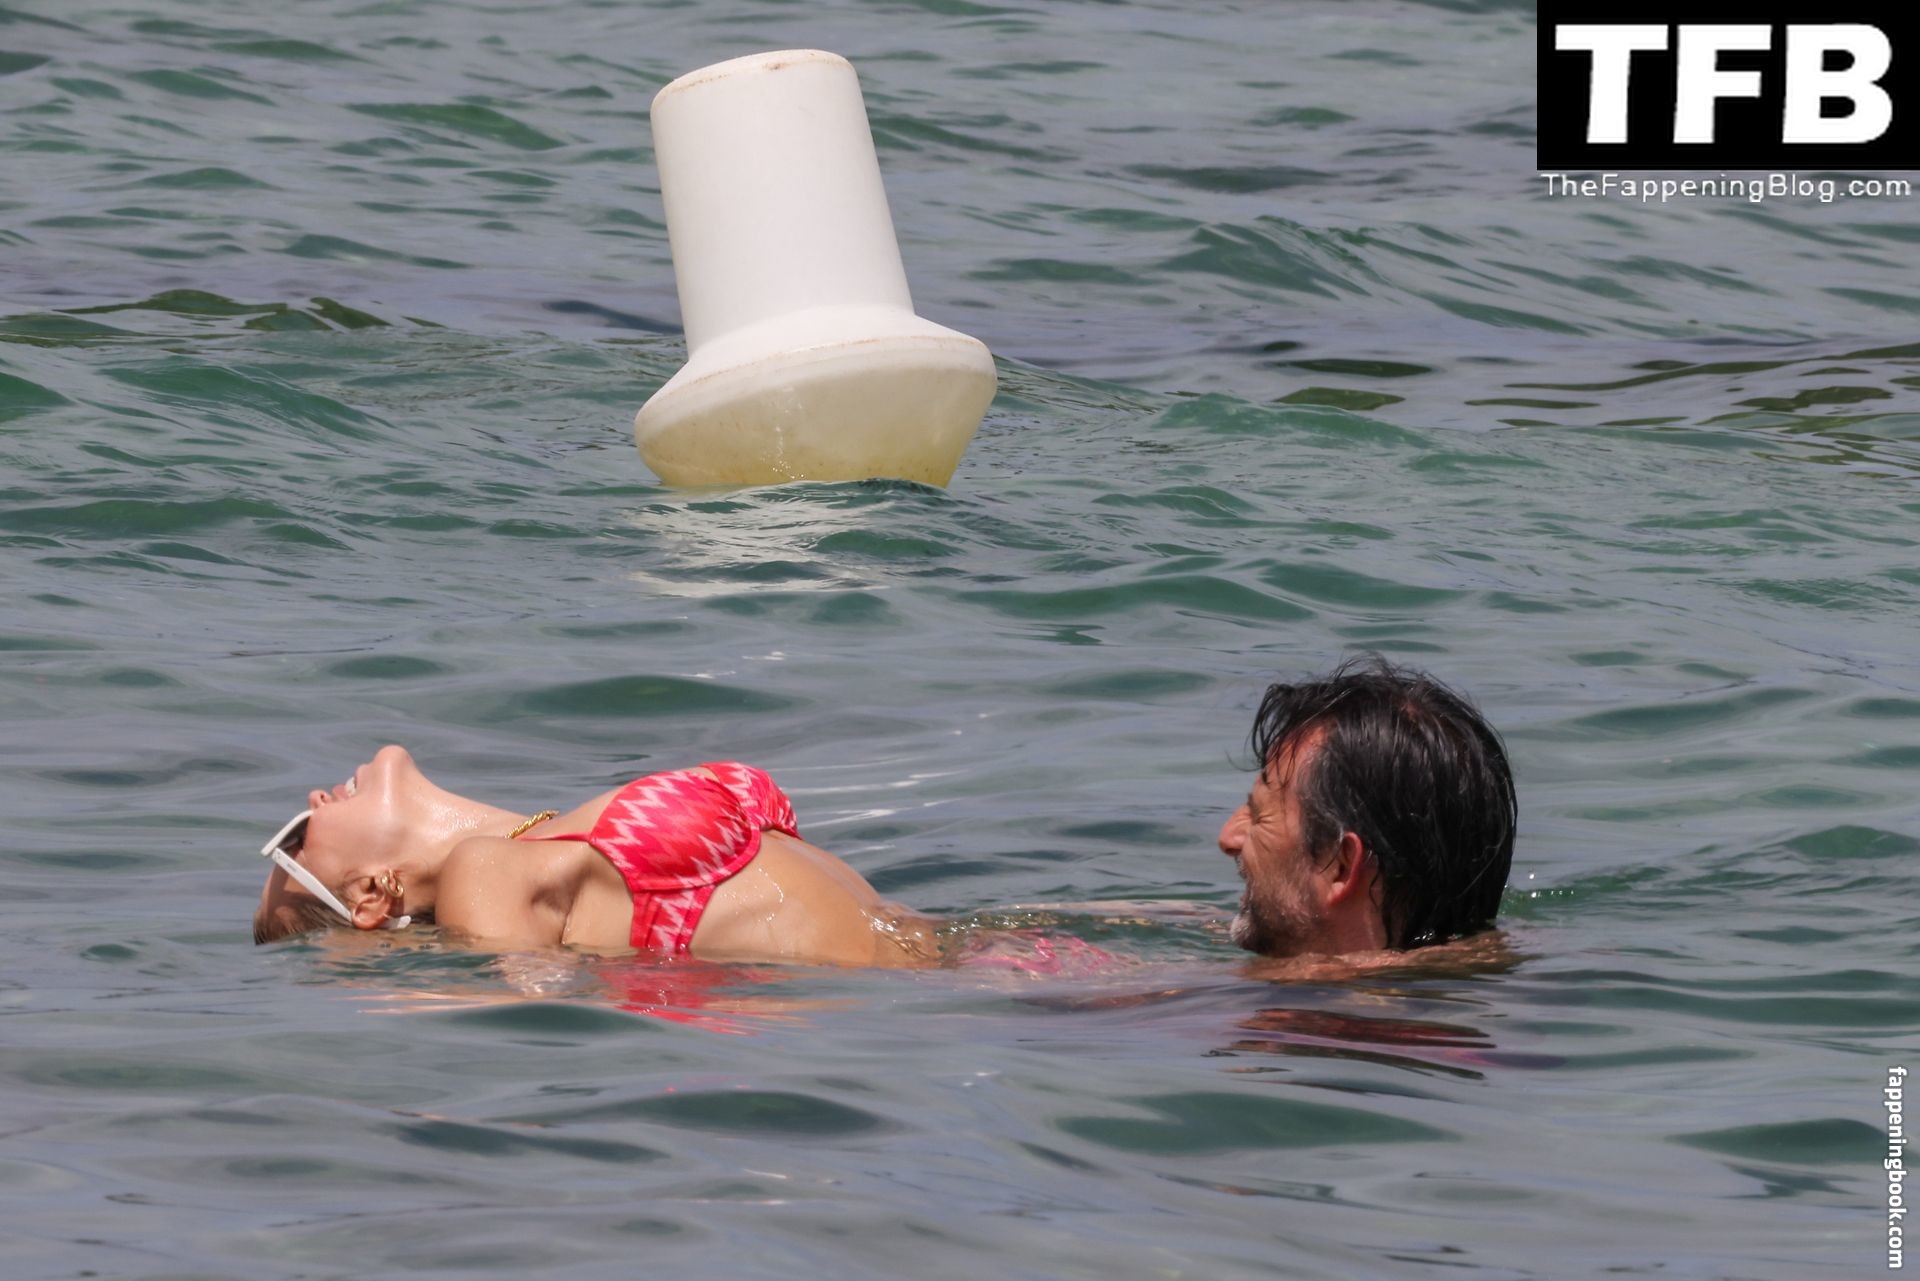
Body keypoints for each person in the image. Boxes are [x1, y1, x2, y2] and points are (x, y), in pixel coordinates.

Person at [253, 747, 941, 967]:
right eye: (296, 838)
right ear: (372, 895)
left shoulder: (536, 850)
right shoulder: (484, 871)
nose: (313, 799)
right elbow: (527, 1030)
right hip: (936, 1008)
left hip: (971, 957)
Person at [1216, 655, 1517, 960]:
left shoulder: (1218, 990)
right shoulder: (1492, 965)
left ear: (1341, 866)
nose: (1227, 838)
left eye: (1259, 816)